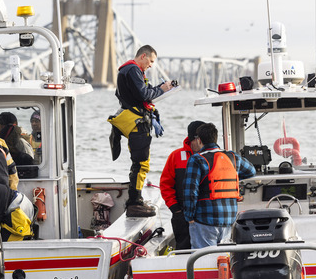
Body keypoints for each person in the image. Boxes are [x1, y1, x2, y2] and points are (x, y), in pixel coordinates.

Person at [108, 45, 174, 217]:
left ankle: (135, 199)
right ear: (143, 56)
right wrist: (163, 89)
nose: (151, 65)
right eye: (151, 61)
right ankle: (135, 203)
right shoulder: (133, 70)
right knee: (141, 164)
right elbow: (144, 94)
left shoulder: (129, 70)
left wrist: (161, 87)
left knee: (139, 163)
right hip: (137, 124)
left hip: (135, 120)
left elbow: (144, 92)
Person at [181, 122, 257, 249]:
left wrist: (189, 217)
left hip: (204, 220)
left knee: (204, 261)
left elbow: (190, 191)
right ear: (215, 138)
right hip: (228, 219)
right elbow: (251, 171)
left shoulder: (197, 159)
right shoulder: (233, 157)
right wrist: (230, 176)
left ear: (199, 140)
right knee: (224, 258)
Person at [160, 120, 204, 250]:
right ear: (194, 139)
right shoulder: (176, 156)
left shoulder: (211, 155)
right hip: (181, 214)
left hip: (205, 214)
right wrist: (175, 209)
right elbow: (165, 184)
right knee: (183, 249)